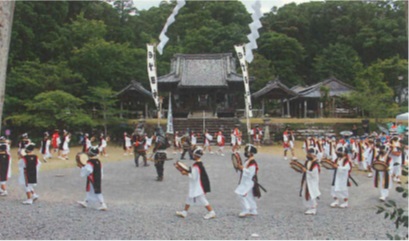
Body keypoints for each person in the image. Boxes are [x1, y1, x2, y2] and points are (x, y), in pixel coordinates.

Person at [176, 147, 216, 220]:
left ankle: (211, 212)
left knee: (201, 198)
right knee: (189, 197)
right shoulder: (199, 164)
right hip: (198, 184)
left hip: (198, 185)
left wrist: (185, 173)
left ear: (195, 155)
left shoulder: (196, 165)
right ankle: (184, 212)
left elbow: (193, 176)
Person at [77, 146, 107, 211]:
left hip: (92, 178)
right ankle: (86, 202)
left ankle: (103, 204)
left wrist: (82, 168)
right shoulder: (98, 161)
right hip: (97, 177)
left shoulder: (90, 162)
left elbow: (88, 170)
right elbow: (101, 170)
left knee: (96, 191)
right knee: (90, 190)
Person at [234, 144, 261, 217]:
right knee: (249, 195)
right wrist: (241, 168)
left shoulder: (252, 162)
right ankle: (253, 210)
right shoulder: (248, 161)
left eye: (247, 152)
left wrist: (242, 168)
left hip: (248, 182)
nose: (245, 153)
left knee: (239, 193)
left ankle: (246, 209)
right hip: (246, 181)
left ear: (250, 153)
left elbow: (250, 173)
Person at [300, 147, 321, 215]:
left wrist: (307, 172)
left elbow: (314, 174)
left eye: (309, 154)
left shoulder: (315, 164)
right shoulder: (307, 162)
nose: (308, 155)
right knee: (306, 192)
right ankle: (310, 206)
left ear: (314, 155)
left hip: (312, 181)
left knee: (311, 192)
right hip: (307, 180)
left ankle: (313, 208)